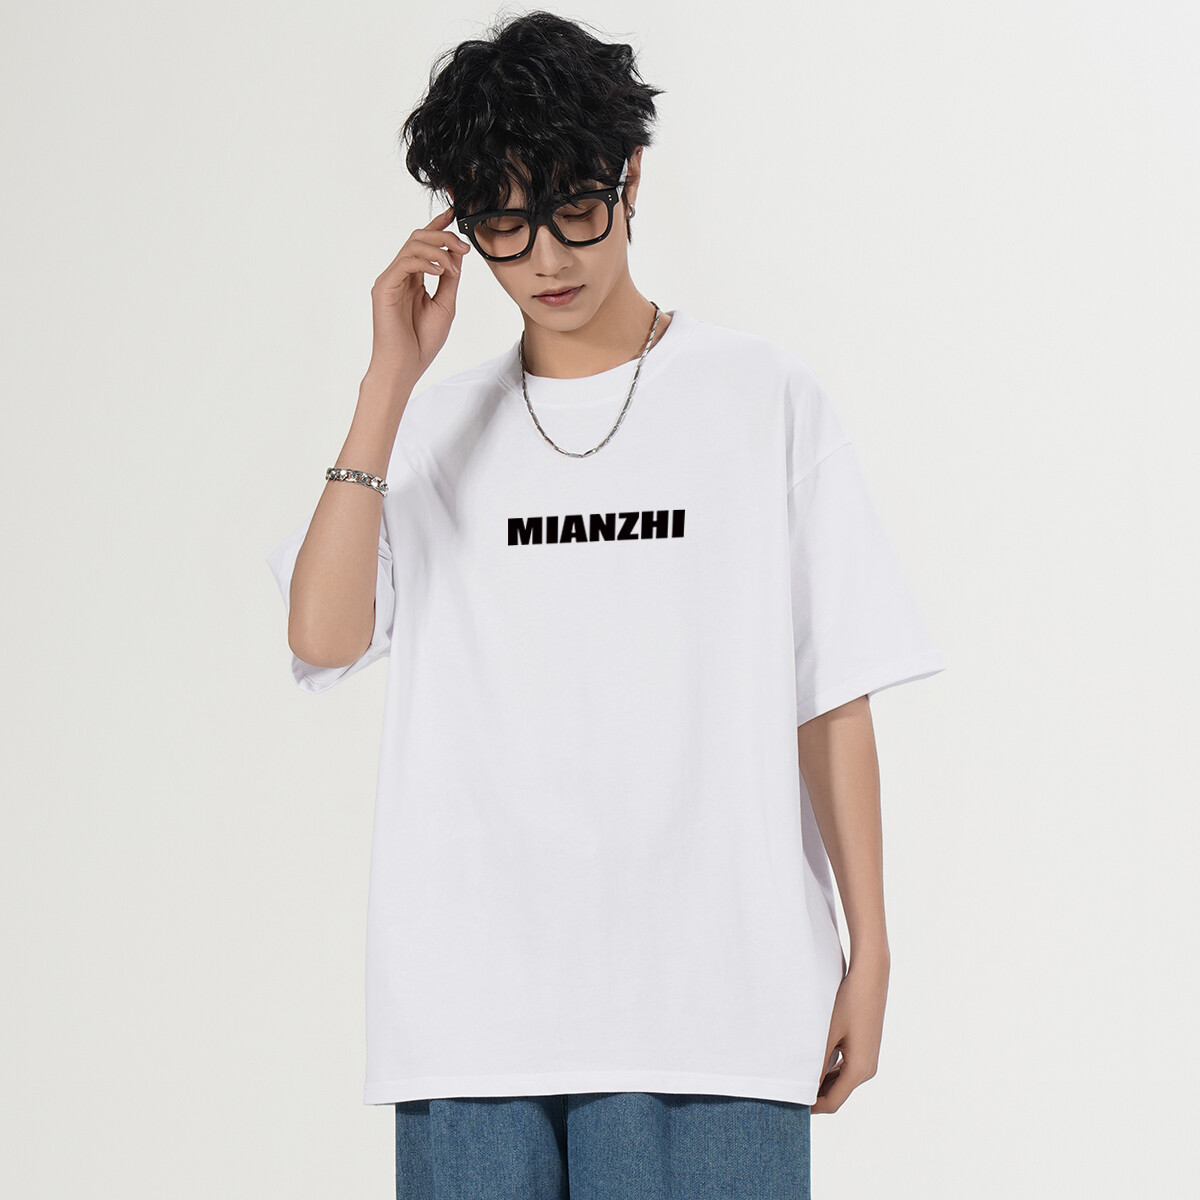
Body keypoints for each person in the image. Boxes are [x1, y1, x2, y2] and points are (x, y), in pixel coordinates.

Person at [265, 10, 945, 1199]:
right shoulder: (431, 428)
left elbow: (831, 690)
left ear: (630, 174)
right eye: (505, 223)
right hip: (471, 1018)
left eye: (575, 206)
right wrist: (386, 384)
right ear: (464, 227)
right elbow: (323, 636)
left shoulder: (760, 396)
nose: (548, 256)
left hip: (716, 1007)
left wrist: (871, 948)